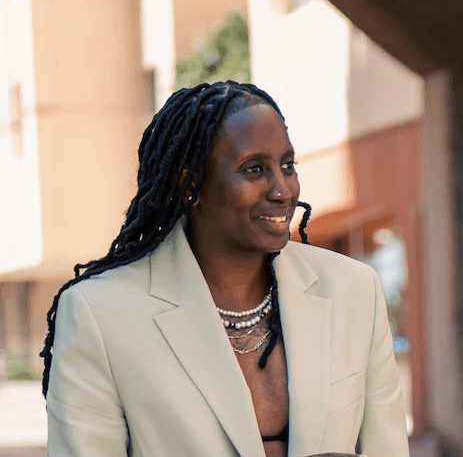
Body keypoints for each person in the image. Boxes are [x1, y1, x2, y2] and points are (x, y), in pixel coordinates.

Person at [41, 81, 410, 457]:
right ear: (190, 183)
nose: (282, 190)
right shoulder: (100, 316)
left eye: (287, 165)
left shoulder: (353, 290)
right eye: (254, 169)